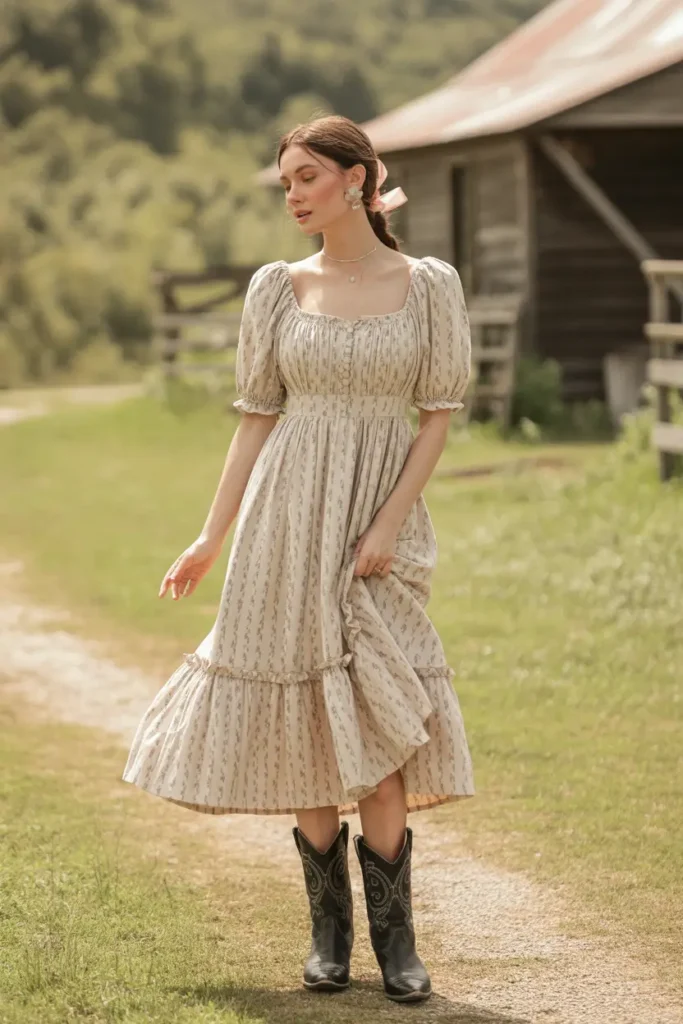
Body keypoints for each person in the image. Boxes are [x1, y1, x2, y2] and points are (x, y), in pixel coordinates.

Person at [122, 114, 474, 1004]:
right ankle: (328, 939)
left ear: (358, 179)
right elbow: (255, 422)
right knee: (307, 725)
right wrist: (212, 534)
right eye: (286, 181)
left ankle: (398, 947)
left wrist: (390, 523)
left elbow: (436, 415)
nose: (293, 193)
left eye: (308, 176)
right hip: (285, 519)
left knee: (383, 720)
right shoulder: (277, 288)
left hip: (376, 518)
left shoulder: (426, 284)